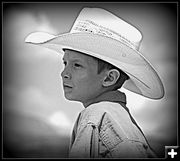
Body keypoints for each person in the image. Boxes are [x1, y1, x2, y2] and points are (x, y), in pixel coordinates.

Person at [25, 7, 164, 158]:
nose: (64, 73)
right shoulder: (121, 120)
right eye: (65, 63)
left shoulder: (94, 118)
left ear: (109, 78)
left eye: (77, 65)